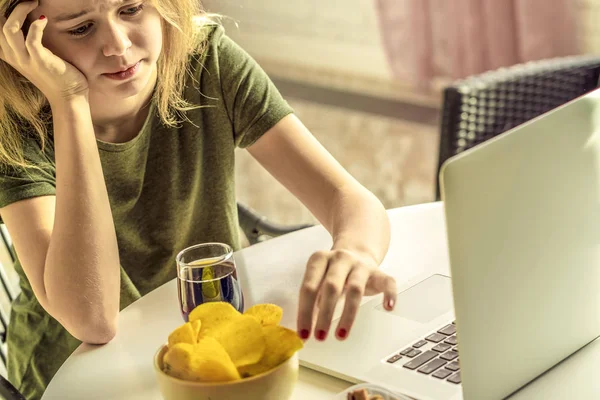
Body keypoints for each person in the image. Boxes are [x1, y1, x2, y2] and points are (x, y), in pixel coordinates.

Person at [0, 0, 398, 398]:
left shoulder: (205, 61)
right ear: (21, 36)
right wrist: (69, 101)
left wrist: (356, 251)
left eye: (132, 8)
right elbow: (93, 322)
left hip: (215, 356)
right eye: (81, 29)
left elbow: (348, 197)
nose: (118, 46)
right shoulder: (14, 126)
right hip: (79, 377)